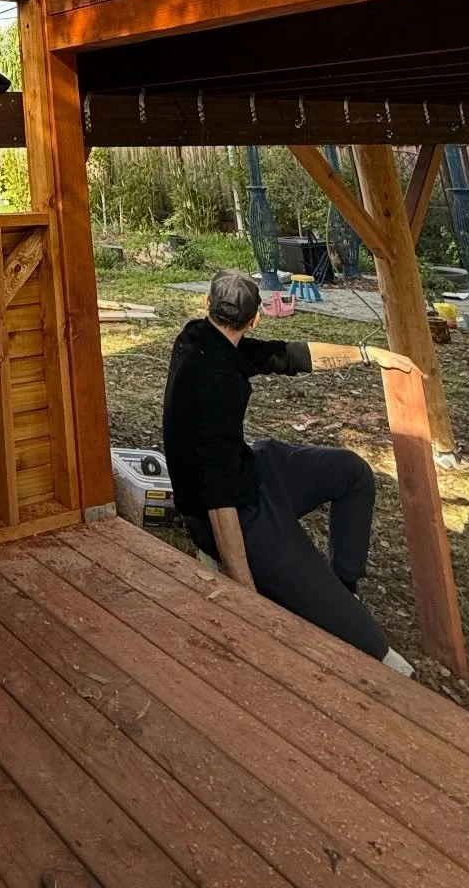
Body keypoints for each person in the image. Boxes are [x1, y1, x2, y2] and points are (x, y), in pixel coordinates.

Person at [162, 268, 416, 672]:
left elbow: (287, 355)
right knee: (374, 648)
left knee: (353, 473)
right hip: (236, 516)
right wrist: (244, 591)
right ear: (256, 317)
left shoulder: (198, 336)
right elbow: (218, 495)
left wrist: (369, 354)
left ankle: (342, 587)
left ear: (206, 305)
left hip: (254, 472)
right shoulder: (217, 385)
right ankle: (330, 608)